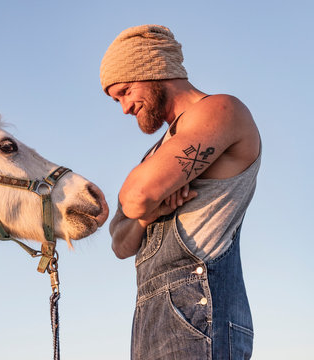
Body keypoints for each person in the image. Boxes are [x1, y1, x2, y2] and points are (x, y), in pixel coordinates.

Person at [100, 25, 261, 359]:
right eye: (118, 99)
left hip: (202, 310)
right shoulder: (155, 154)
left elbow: (134, 197)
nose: (125, 108)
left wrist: (143, 204)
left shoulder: (220, 111)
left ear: (153, 70)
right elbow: (119, 242)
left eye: (127, 91)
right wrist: (149, 216)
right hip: (152, 314)